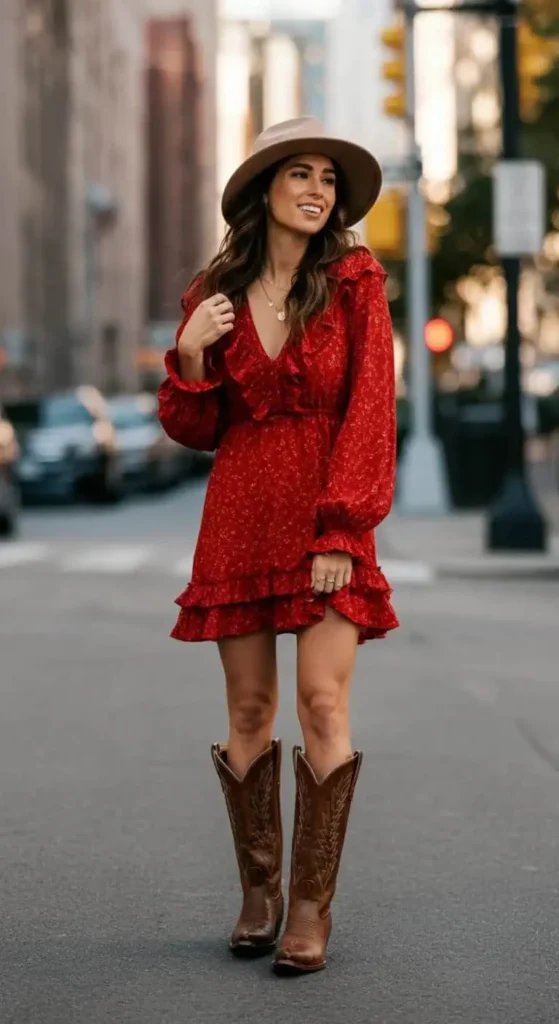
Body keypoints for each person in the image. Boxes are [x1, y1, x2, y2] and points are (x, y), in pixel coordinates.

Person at [158, 116, 399, 975]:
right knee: (250, 712)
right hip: (239, 515)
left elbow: (371, 408)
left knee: (322, 705)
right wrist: (187, 358)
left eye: (328, 180)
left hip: (324, 517)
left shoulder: (355, 283)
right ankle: (258, 890)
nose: (316, 190)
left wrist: (342, 526)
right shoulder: (212, 294)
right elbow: (195, 426)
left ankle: (309, 907)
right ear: (263, 189)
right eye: (298, 173)